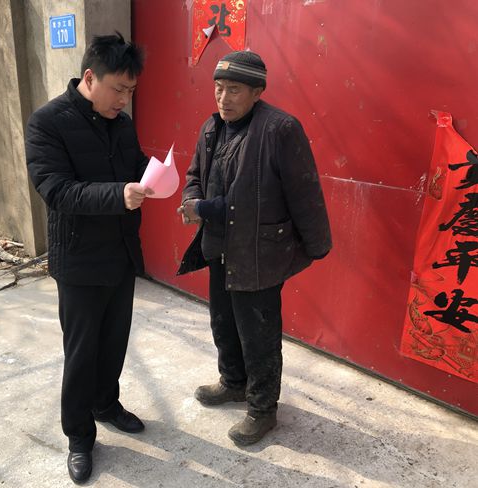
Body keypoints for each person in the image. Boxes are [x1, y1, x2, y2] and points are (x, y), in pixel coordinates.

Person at [177, 50, 332, 446]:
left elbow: (303, 191)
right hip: (219, 246)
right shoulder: (211, 128)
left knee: (258, 334)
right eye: (218, 88)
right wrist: (192, 199)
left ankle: (263, 409)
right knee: (223, 322)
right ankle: (233, 382)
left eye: (234, 90)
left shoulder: (280, 129)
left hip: (259, 252)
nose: (223, 98)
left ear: (257, 91)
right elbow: (194, 175)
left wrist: (316, 245)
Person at [25, 32, 151, 484]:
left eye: (130, 91)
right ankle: (79, 435)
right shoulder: (47, 123)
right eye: (118, 89)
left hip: (120, 253)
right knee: (81, 352)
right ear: (90, 77)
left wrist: (160, 174)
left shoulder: (122, 123)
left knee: (114, 341)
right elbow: (56, 190)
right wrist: (119, 195)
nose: (124, 99)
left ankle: (106, 403)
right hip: (78, 260)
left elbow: (135, 165)